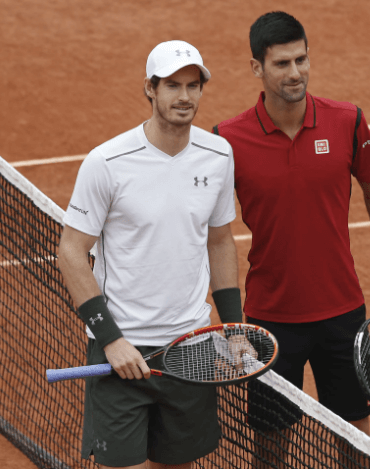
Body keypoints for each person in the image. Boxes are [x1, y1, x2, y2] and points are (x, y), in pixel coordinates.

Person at [212, 11, 370, 439]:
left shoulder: (347, 121)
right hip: (270, 319)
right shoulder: (226, 142)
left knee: (355, 441)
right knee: (271, 444)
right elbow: (213, 236)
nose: (296, 73)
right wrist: (232, 324)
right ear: (257, 68)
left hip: (343, 313)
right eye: (282, 63)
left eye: (301, 60)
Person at [58, 40, 243, 469]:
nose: (184, 97)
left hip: (190, 347)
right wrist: (111, 340)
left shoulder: (218, 155)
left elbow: (219, 240)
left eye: (193, 86)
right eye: (173, 85)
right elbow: (71, 251)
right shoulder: (107, 162)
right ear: (150, 89)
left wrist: (233, 328)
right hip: (122, 351)